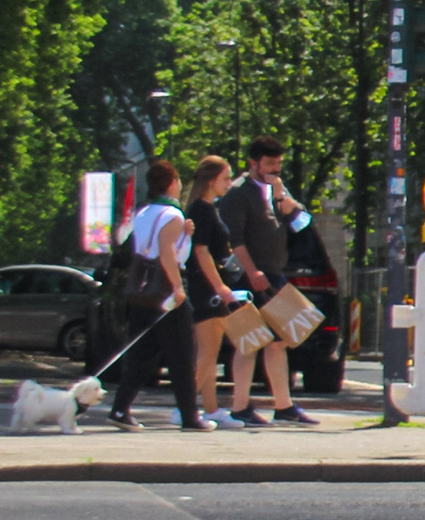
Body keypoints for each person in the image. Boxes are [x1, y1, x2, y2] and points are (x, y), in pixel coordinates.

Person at [217, 136, 315, 426]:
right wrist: (252, 272)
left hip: (274, 274)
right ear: (253, 163)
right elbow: (235, 240)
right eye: (269, 164)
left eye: (278, 164)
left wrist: (284, 197)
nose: (274, 169)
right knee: (249, 342)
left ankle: (284, 405)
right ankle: (240, 407)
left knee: (281, 340)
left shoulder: (275, 191)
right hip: (250, 276)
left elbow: (300, 222)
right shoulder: (238, 194)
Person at [107, 160, 206, 430]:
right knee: (183, 354)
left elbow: (144, 246)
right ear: (172, 182)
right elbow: (166, 252)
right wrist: (178, 287)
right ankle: (190, 415)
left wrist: (184, 234)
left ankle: (120, 409)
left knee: (142, 353)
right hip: (165, 291)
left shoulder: (144, 212)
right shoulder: (172, 215)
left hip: (143, 289)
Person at [182, 155, 255, 427]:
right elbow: (201, 253)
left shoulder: (208, 208)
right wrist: (220, 286)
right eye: (225, 178)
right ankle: (185, 406)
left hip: (210, 289)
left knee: (210, 353)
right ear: (212, 180)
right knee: (208, 352)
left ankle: (210, 409)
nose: (229, 183)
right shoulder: (201, 210)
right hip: (207, 290)